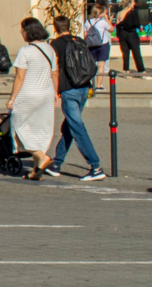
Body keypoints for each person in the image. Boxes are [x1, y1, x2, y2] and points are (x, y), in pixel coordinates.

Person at [45, 14, 107, 181]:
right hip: (83, 88)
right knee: (70, 127)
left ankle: (95, 166)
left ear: (55, 27)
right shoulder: (79, 40)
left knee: (77, 127)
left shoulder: (55, 44)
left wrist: (55, 91)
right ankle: (57, 163)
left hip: (68, 89)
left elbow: (55, 69)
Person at [8, 18, 59, 180]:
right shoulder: (49, 49)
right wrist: (56, 94)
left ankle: (41, 157)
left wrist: (12, 98)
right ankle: (37, 170)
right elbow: (55, 73)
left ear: (28, 32)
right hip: (47, 94)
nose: (21, 32)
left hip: (28, 94)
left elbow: (20, 77)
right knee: (41, 129)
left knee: (17, 128)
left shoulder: (25, 51)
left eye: (22, 29)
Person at [118, 0, 147, 76]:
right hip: (131, 33)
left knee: (125, 53)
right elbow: (137, 23)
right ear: (131, 3)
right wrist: (140, 28)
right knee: (136, 53)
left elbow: (118, 24)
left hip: (122, 34)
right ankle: (141, 71)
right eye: (133, 1)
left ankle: (126, 71)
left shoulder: (120, 12)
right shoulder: (133, 12)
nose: (135, 3)